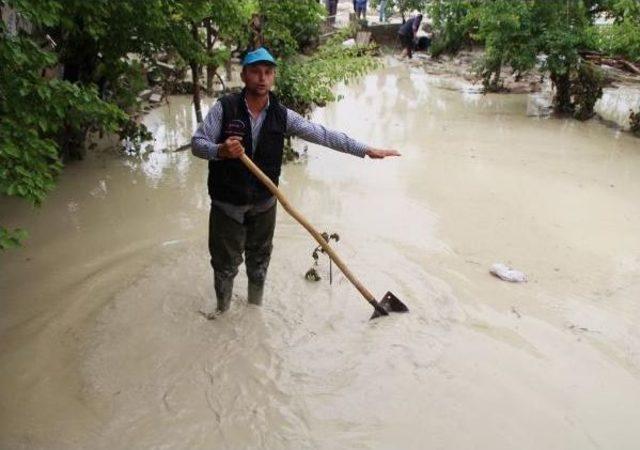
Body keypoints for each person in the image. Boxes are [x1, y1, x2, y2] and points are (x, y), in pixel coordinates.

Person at [191, 47, 400, 316]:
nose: (262, 78)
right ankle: (222, 313)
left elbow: (322, 134)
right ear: (244, 75)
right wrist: (219, 150)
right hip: (227, 204)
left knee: (259, 262)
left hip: (265, 204)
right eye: (255, 72)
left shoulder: (282, 115)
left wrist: (365, 149)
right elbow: (198, 144)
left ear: (273, 77)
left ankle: (254, 311)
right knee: (225, 264)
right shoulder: (225, 108)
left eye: (268, 72)